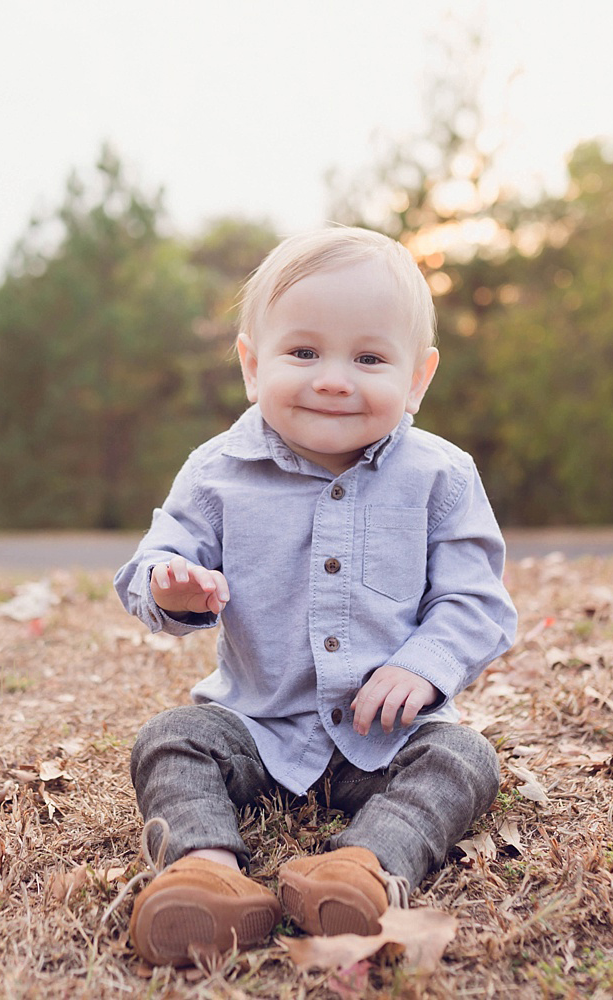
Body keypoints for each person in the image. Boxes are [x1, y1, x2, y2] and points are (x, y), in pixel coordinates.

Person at [113, 225, 517, 967]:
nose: (334, 378)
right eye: (303, 353)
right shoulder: (215, 474)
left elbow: (479, 602)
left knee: (464, 759)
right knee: (169, 739)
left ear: (418, 379)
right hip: (256, 729)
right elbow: (156, 562)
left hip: (387, 737)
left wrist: (423, 665)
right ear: (251, 364)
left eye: (368, 358)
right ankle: (206, 875)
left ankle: (362, 867)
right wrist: (172, 584)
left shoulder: (441, 477)